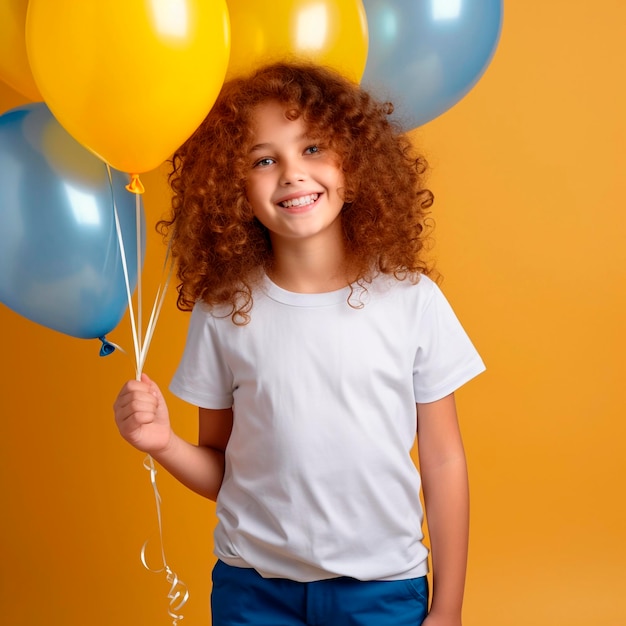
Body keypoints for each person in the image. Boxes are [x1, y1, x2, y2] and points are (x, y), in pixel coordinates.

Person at [113, 62, 485, 626]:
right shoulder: (224, 310)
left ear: (353, 164)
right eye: (264, 160)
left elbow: (443, 459)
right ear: (231, 187)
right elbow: (223, 468)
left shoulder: (412, 301)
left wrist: (450, 604)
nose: (292, 174)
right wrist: (162, 443)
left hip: (382, 590)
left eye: (312, 149)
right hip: (253, 593)